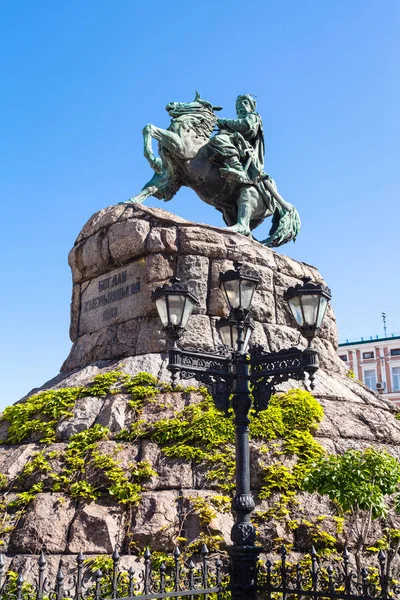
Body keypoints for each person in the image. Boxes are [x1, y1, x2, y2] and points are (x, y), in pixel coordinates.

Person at [209, 94, 265, 184]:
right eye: (239, 104)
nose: (242, 105)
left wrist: (225, 122)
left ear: (251, 106)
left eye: (245, 102)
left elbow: (247, 127)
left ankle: (238, 169)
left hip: (246, 150)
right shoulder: (235, 124)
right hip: (238, 146)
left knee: (220, 139)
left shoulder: (253, 116)